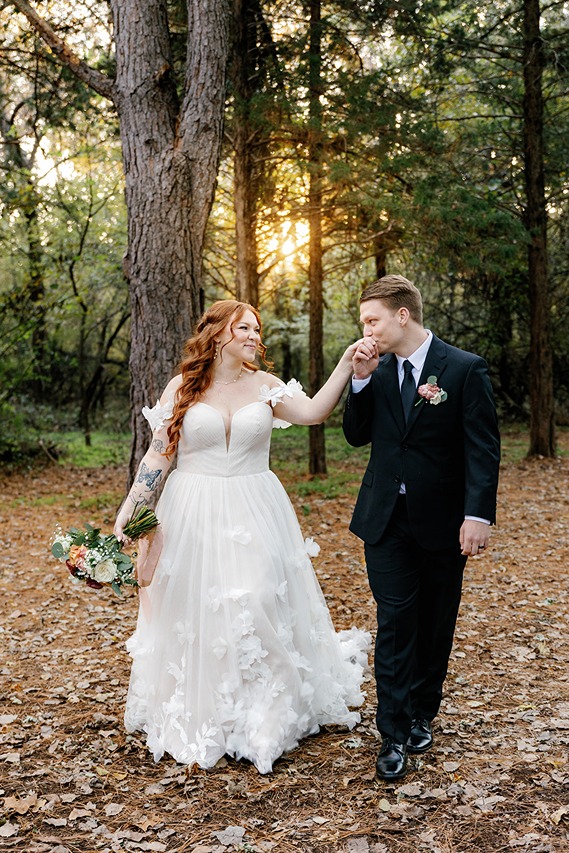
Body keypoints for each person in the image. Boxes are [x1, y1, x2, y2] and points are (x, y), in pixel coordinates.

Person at [114, 299, 370, 775]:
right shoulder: (184, 388)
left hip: (255, 505)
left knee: (254, 600)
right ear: (218, 334)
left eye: (257, 328)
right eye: (244, 327)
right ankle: (212, 713)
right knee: (198, 606)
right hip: (192, 507)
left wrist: (343, 366)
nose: (255, 335)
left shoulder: (267, 386)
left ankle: (262, 716)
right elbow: (157, 455)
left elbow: (313, 412)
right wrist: (132, 508)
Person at [343, 275, 500, 781]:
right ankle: (390, 732)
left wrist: (477, 515)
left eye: (372, 319)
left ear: (402, 315)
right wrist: (361, 379)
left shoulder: (464, 368)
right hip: (384, 520)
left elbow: (482, 448)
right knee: (394, 620)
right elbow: (355, 434)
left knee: (435, 621)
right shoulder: (377, 368)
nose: (365, 329)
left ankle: (421, 714)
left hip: (443, 522)